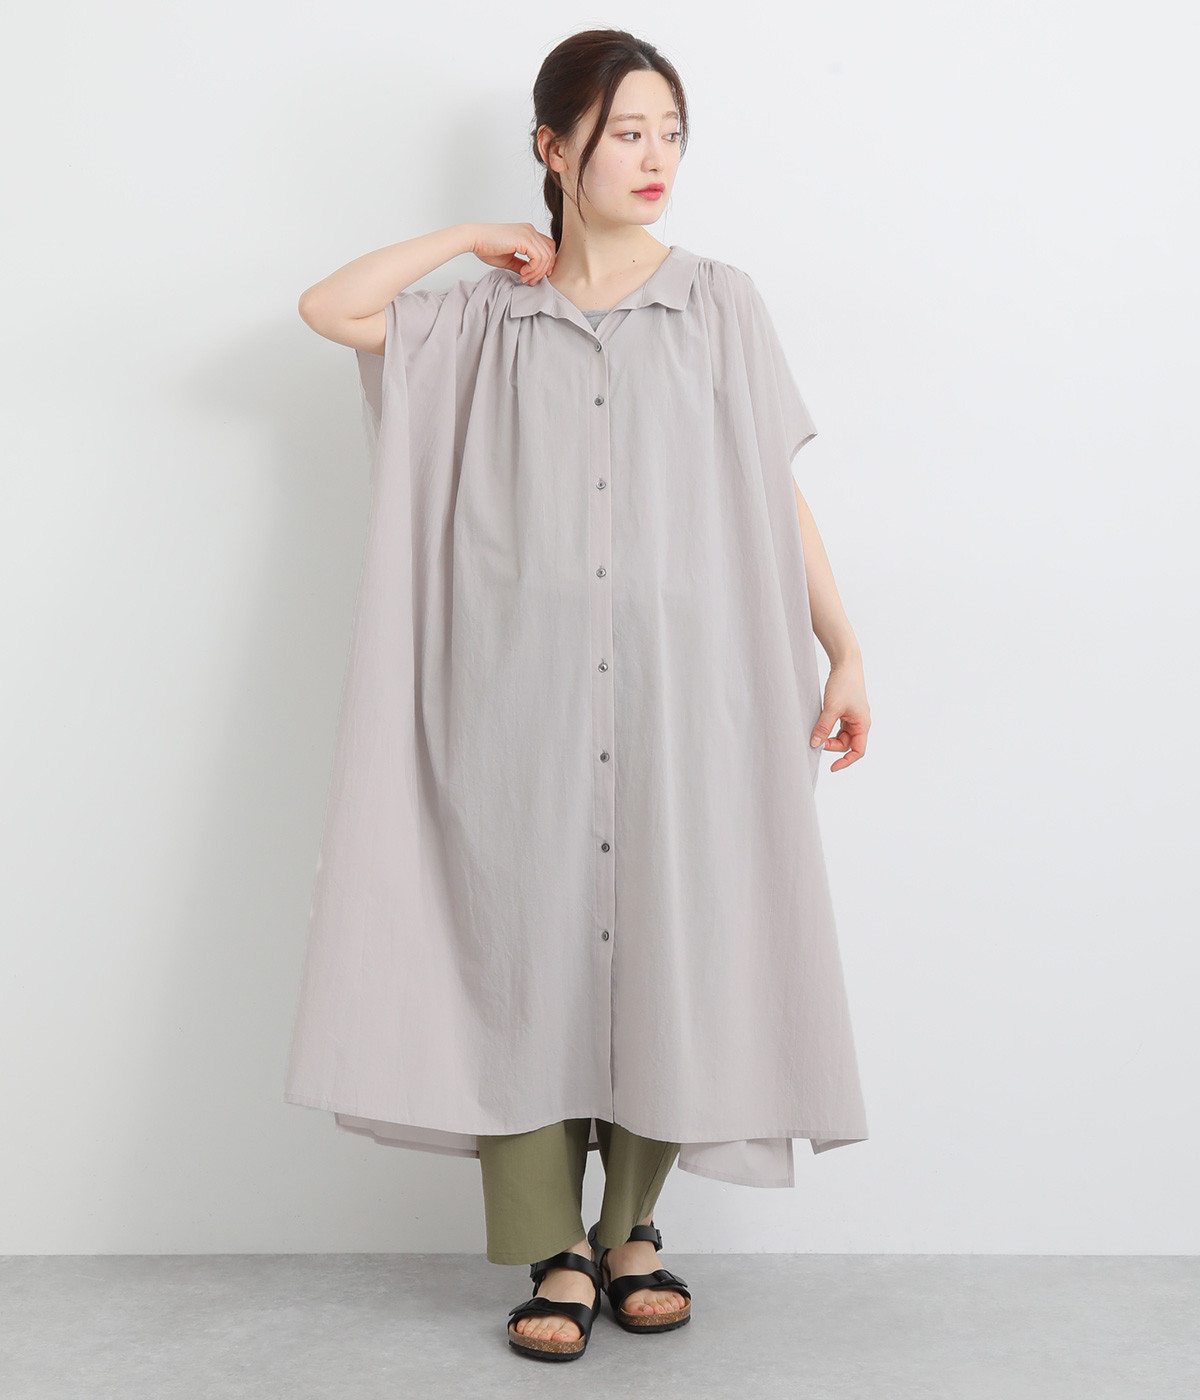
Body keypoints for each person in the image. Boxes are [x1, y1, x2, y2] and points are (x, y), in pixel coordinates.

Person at [287, 28, 871, 1363]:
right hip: (513, 696)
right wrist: (469, 236)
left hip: (692, 691)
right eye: (623, 133)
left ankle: (633, 1230)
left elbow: (770, 489)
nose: (655, 157)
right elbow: (330, 308)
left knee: (673, 937)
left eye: (670, 131)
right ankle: (553, 1246)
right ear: (555, 149)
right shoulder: (479, 316)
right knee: (518, 950)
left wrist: (840, 642)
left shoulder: (721, 303)